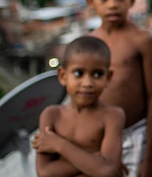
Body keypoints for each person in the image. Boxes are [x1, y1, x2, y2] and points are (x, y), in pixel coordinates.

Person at [85, 0, 152, 177]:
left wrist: (149, 158)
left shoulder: (142, 40)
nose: (113, 4)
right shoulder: (89, 44)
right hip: (101, 138)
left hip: (137, 134)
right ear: (90, 0)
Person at [33, 36, 127, 177]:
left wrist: (59, 144)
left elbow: (106, 171)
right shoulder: (52, 115)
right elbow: (45, 172)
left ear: (108, 77)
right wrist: (95, 161)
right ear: (63, 76)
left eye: (97, 74)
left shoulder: (112, 115)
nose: (87, 83)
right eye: (78, 73)